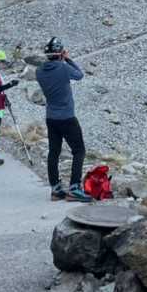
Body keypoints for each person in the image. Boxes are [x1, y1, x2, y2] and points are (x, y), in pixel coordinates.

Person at [35, 38, 91, 202]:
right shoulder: (63, 67)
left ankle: (55, 189)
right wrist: (67, 59)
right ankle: (74, 188)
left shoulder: (39, 71)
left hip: (51, 118)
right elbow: (79, 75)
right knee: (79, 151)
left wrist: (61, 58)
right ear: (60, 53)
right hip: (67, 117)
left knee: (54, 152)